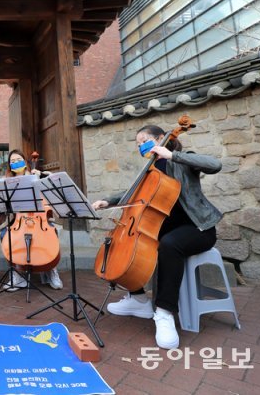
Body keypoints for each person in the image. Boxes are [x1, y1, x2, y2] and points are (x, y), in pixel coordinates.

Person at [91, 124, 222, 350]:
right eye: (138, 144)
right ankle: (139, 298)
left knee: (169, 245)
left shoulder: (180, 160)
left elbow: (215, 165)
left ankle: (164, 313)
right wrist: (109, 200)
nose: (141, 145)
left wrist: (172, 155)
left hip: (198, 228)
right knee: (126, 244)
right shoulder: (151, 169)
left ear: (161, 138)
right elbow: (133, 193)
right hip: (168, 227)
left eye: (145, 140)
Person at [0, 149, 63, 292]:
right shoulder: (6, 181)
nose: (15, 163)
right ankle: (18, 275)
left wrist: (42, 176)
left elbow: (55, 181)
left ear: (25, 162)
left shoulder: (36, 176)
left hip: (39, 220)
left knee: (52, 233)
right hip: (18, 221)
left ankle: (51, 271)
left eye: (18, 160)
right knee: (4, 235)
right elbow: (1, 208)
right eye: (12, 161)